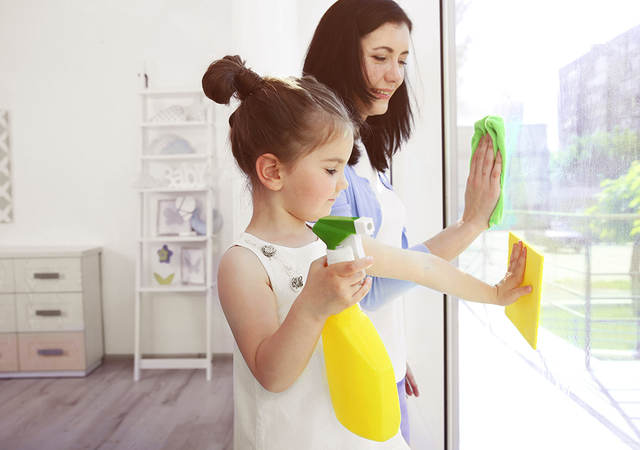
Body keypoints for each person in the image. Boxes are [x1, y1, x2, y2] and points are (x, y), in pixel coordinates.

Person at [204, 55, 529, 449]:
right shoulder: (244, 263)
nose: (342, 186)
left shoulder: (333, 236)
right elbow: (271, 374)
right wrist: (312, 304)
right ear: (273, 171)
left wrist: (493, 294)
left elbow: (420, 265)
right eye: (330, 169)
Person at [303, 0, 503, 443]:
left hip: (383, 362)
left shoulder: (372, 156)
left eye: (402, 60)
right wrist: (470, 224)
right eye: (380, 57)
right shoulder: (326, 168)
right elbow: (365, 286)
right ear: (340, 53)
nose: (395, 75)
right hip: (353, 377)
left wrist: (395, 347)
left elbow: (393, 264)